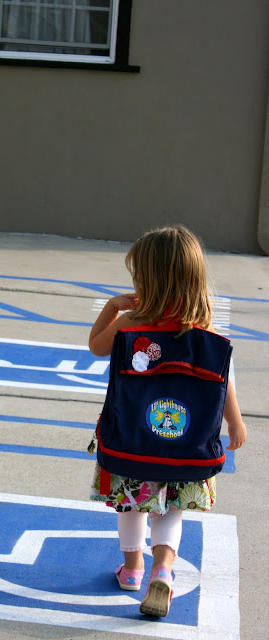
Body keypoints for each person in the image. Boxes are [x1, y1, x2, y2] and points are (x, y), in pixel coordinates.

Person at [88, 225, 247, 617]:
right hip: (186, 446)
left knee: (131, 504)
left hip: (132, 441)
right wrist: (235, 422)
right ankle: (163, 569)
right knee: (170, 509)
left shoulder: (132, 323)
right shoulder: (204, 332)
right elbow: (222, 382)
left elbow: (95, 347)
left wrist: (112, 307)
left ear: (148, 280)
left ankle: (132, 570)